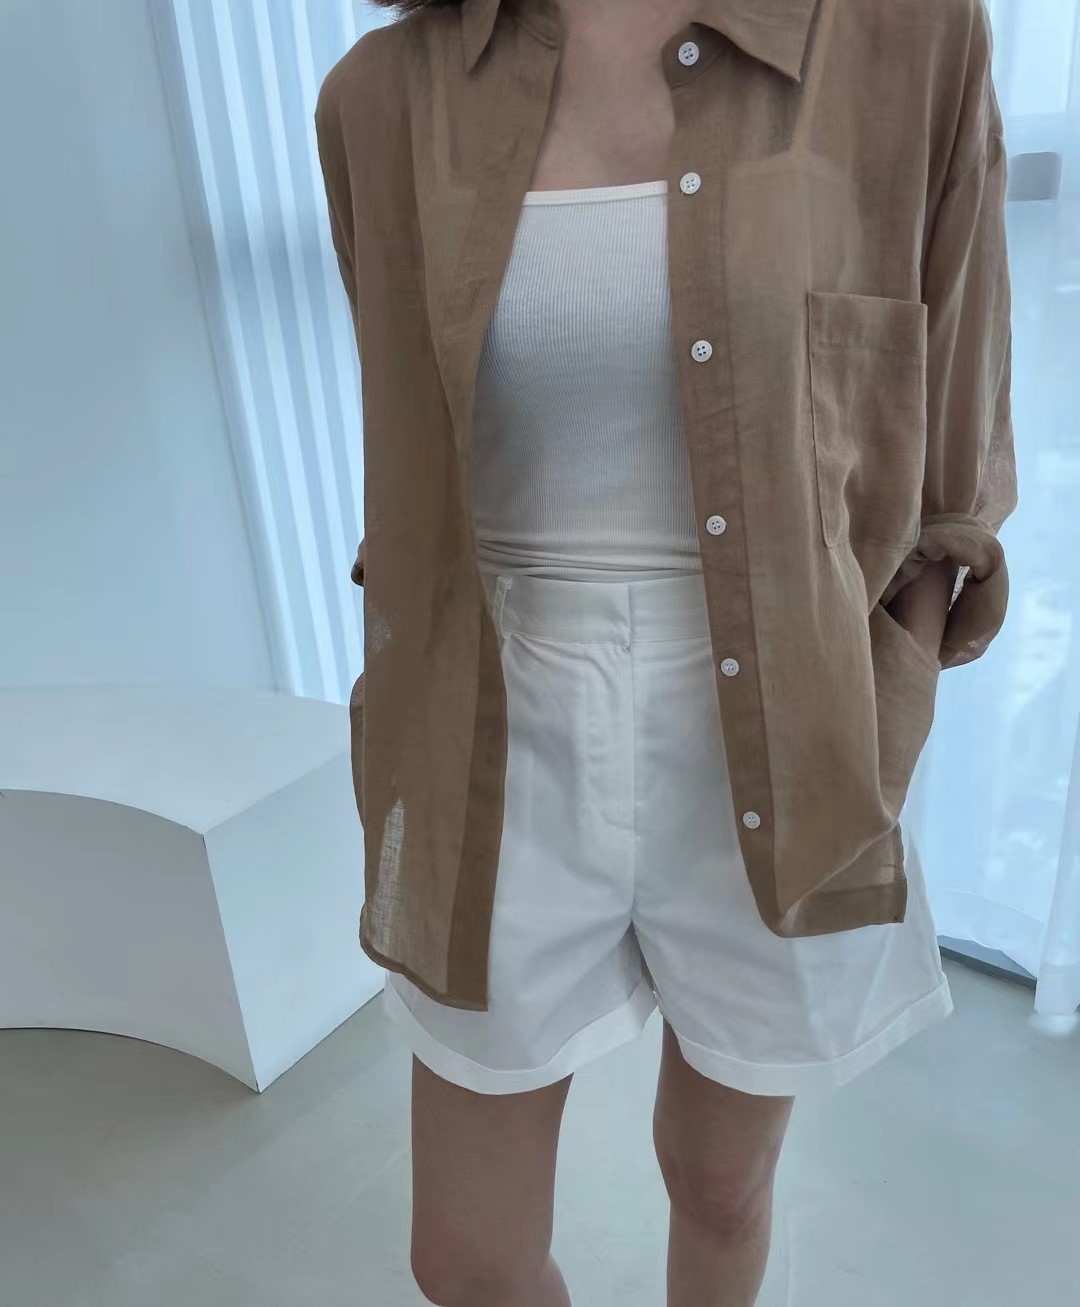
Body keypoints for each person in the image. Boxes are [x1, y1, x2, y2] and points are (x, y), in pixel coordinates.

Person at [315, 1, 1017, 1303]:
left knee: (722, 1182)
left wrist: (890, 705)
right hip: (497, 721)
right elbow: (411, 447)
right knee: (465, 1260)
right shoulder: (380, 96)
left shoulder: (903, 37)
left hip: (788, 708)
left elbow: (954, 462)